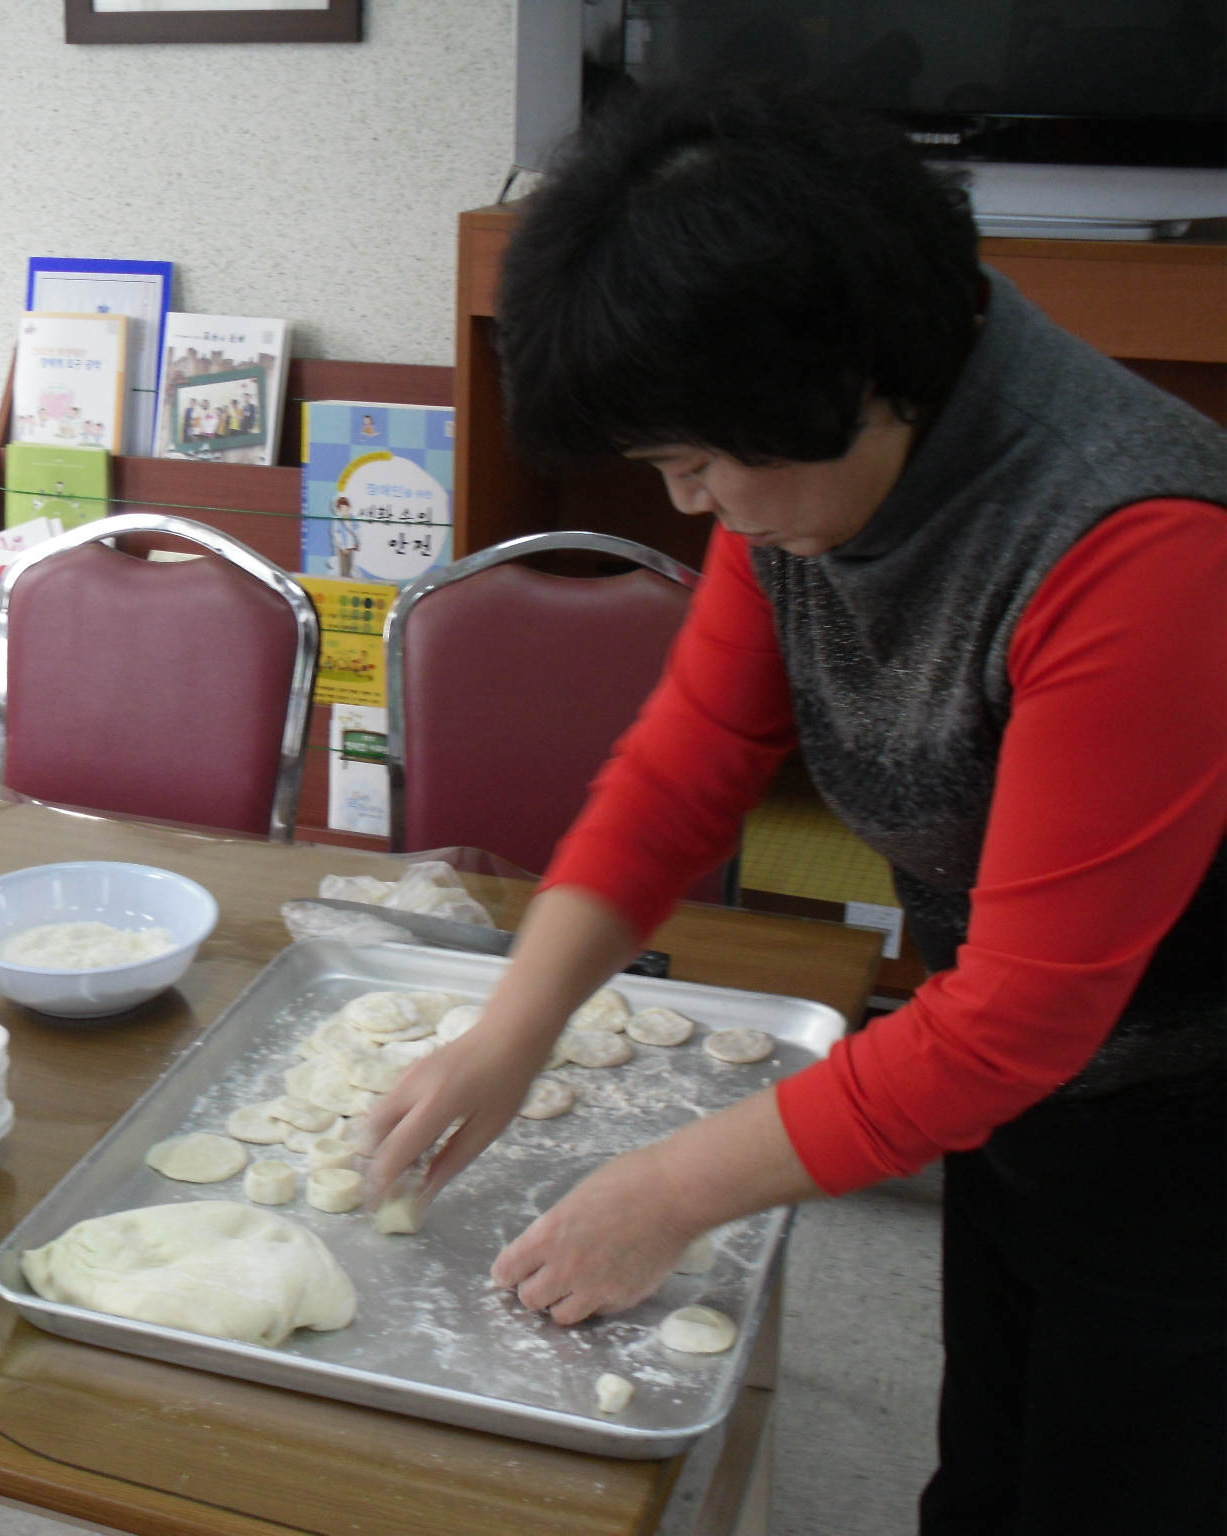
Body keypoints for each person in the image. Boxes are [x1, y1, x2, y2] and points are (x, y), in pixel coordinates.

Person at [364, 80, 1224, 1536]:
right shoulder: (817, 449)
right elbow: (686, 765)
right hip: (1028, 1091)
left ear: (839, 385)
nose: (690, 504)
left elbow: (1019, 1021)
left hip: (1190, 1118)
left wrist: (671, 1189)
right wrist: (511, 1030)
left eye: (695, 463)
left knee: (1126, 1474)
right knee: (991, 1463)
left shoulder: (1138, 545)